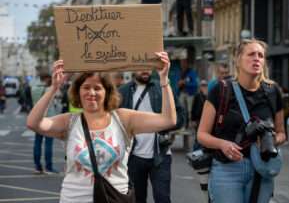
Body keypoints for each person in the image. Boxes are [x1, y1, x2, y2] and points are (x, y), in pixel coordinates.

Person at [26, 51, 177, 203]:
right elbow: (33, 123)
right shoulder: (69, 122)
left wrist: (164, 79)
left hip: (115, 198)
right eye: (86, 87)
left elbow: (168, 120)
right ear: (78, 92)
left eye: (97, 88)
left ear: (107, 92)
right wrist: (54, 87)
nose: (91, 93)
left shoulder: (123, 119)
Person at [197, 39, 286, 203]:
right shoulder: (220, 90)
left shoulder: (273, 91)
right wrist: (223, 144)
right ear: (238, 60)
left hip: (261, 169)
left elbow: (282, 133)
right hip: (227, 170)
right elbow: (202, 135)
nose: (257, 58)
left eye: (261, 55)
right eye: (251, 54)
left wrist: (272, 140)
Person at [118, 69, 185, 203]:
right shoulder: (123, 91)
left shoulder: (162, 88)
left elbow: (180, 116)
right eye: (142, 67)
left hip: (161, 154)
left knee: (163, 198)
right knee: (137, 199)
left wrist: (163, 125)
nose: (145, 71)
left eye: (148, 67)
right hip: (133, 156)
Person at [31, 73, 58, 174]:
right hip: (48, 118)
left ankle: (37, 166)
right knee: (48, 143)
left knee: (37, 143)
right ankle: (48, 167)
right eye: (50, 78)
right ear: (46, 79)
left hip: (36, 118)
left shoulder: (33, 88)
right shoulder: (49, 89)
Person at [191, 79, 207, 150]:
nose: (204, 87)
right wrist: (192, 119)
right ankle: (195, 151)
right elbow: (193, 108)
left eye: (205, 85)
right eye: (202, 85)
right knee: (197, 137)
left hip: (204, 119)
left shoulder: (208, 95)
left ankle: (200, 151)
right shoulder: (197, 96)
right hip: (197, 119)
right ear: (200, 86)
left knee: (203, 137)